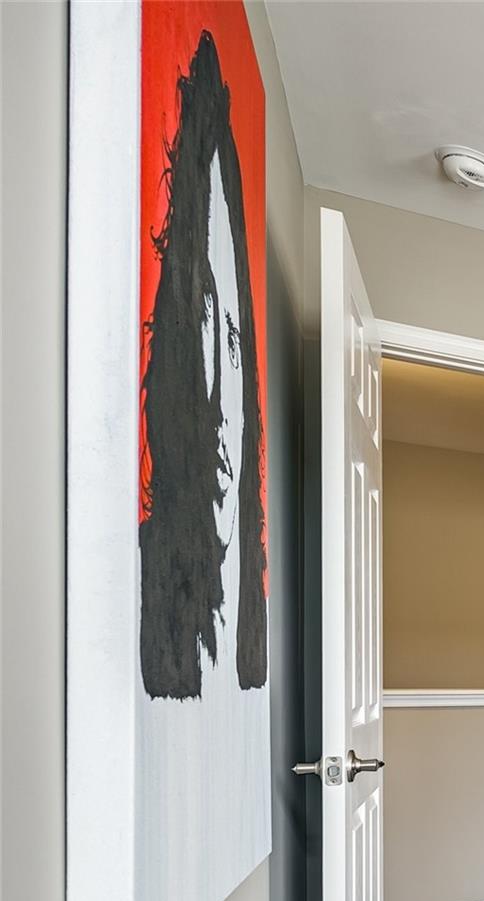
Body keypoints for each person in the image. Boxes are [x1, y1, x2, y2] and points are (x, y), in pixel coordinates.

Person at [138, 30, 265, 701]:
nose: (215, 393)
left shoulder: (252, 648)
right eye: (202, 323)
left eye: (233, 339)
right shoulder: (142, 592)